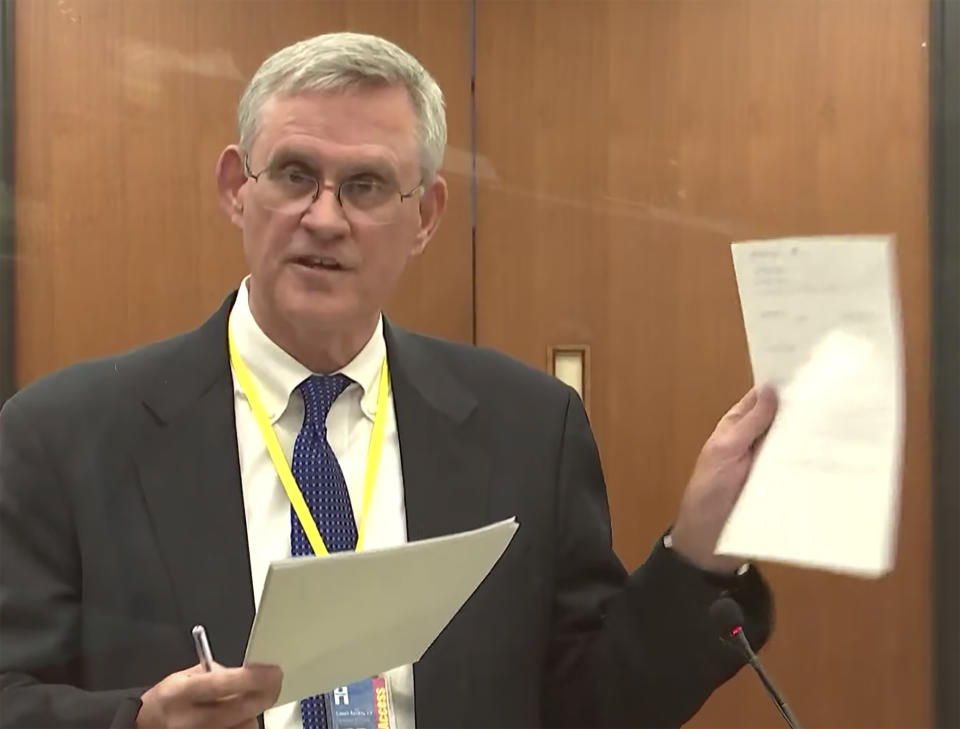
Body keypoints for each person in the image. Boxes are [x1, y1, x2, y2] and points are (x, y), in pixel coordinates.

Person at [0, 32, 777, 729]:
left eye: (366, 186)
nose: (326, 217)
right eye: (295, 174)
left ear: (427, 214)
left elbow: (594, 706)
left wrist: (699, 552)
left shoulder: (530, 429)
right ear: (238, 187)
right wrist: (133, 723)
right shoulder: (64, 435)